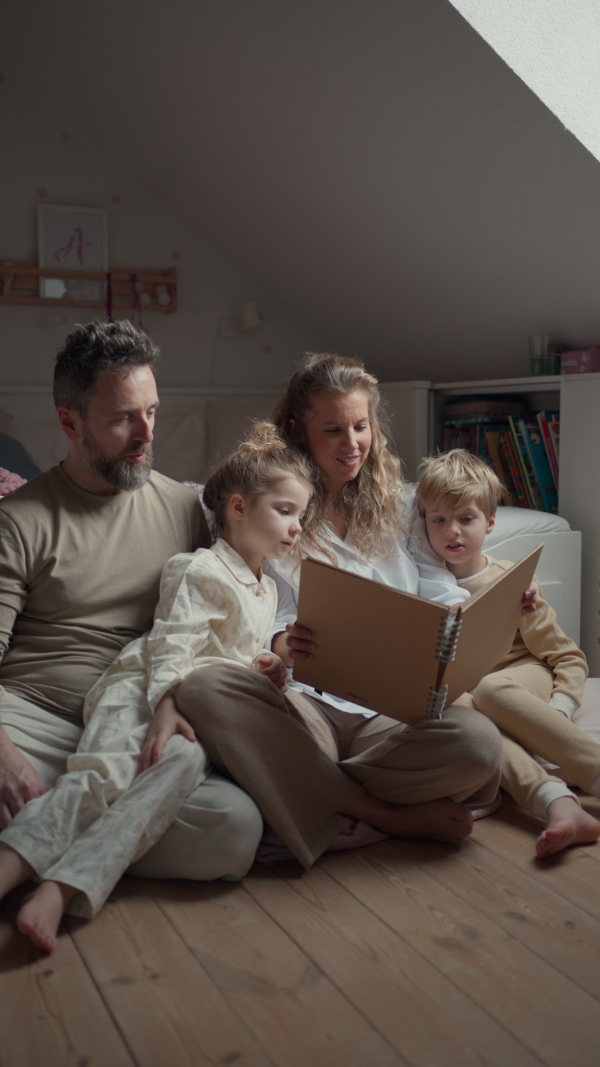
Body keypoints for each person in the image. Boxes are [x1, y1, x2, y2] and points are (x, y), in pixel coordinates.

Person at [174, 353, 506, 869]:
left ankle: (315, 795)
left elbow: (439, 587)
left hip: (389, 713)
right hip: (305, 702)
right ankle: (391, 815)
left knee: (479, 745)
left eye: (361, 426)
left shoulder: (402, 506)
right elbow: (249, 603)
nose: (352, 444)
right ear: (297, 430)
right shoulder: (269, 506)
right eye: (333, 430)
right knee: (206, 689)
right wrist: (282, 645)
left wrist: (464, 618)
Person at [0, 422, 312, 951]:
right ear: (238, 508)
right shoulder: (199, 568)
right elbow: (171, 643)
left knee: (164, 786)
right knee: (103, 777)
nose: (296, 526)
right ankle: (10, 870)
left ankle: (61, 887)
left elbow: (228, 651)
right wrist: (166, 703)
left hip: (192, 713)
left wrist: (270, 661)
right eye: (284, 511)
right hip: (141, 690)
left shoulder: (263, 589)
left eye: (301, 515)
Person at [0, 320, 262, 890]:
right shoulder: (19, 520)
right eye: (123, 418)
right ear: (69, 422)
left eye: (152, 412)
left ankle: (35, 842)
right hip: (32, 718)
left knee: (233, 829)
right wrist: (3, 754)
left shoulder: (188, 509)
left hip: (132, 721)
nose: (146, 433)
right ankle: (84, 843)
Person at [415, 448, 600, 857]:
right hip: (468, 686)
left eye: (466, 519)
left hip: (522, 672)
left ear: (490, 522)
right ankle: (554, 802)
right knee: (459, 706)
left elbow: (567, 656)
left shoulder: (514, 583)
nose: (452, 532)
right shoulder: (421, 585)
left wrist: (559, 709)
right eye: (439, 520)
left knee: (492, 691)